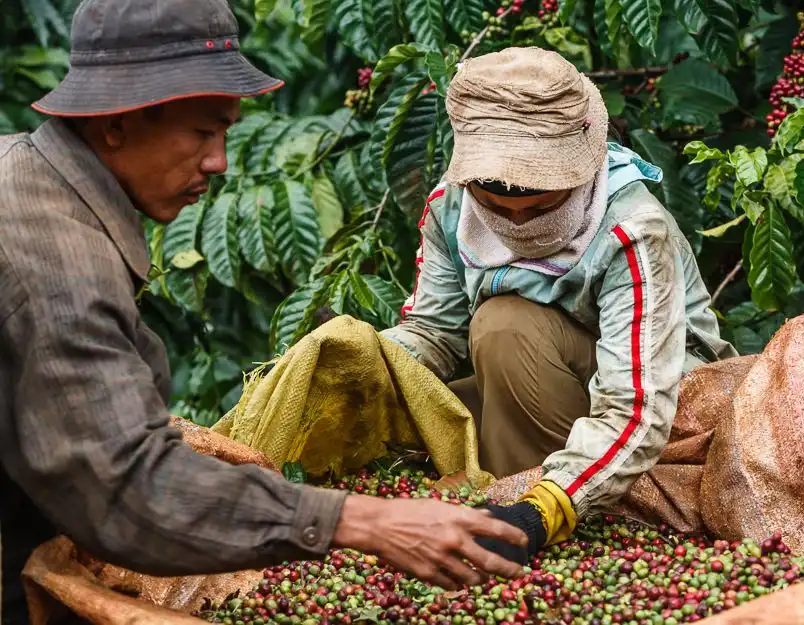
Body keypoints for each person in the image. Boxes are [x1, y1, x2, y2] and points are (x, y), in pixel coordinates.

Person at [0, 1, 527, 622]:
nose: (218, 161)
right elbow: (126, 488)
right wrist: (362, 519)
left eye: (224, 133)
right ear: (116, 125)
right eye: (202, 132)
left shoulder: (25, 173)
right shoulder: (58, 258)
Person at [381, 47, 738, 563]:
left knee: (506, 327)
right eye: (498, 209)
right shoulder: (451, 207)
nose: (518, 224)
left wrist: (543, 508)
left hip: (660, 419)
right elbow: (435, 331)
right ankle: (512, 498)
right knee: (397, 406)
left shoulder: (633, 230)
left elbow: (634, 404)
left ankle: (532, 506)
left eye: (541, 207)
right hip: (536, 390)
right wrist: (364, 360)